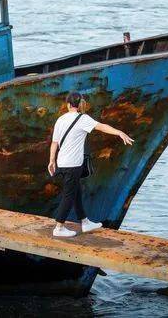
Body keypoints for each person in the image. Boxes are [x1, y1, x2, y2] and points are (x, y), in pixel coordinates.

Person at [47, 92, 134, 237]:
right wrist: (119, 132)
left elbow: (54, 143)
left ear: (68, 104)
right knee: (69, 195)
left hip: (62, 162)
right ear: (80, 103)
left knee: (76, 192)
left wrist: (51, 161)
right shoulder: (82, 118)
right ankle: (59, 227)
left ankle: (85, 222)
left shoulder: (60, 119)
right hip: (73, 164)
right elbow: (102, 127)